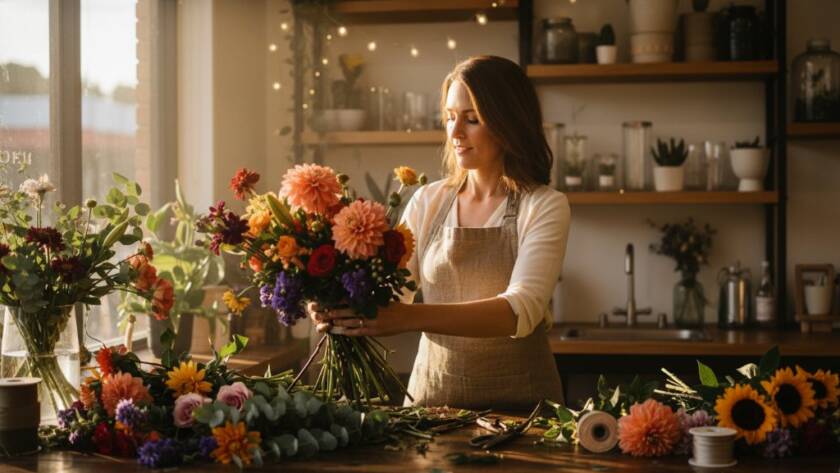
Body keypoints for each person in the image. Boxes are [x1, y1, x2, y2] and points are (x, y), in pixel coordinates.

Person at [308, 55, 570, 409]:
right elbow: (391, 295)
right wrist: (336, 305)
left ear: (509, 124)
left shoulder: (543, 205)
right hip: (432, 407)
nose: (455, 133)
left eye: (472, 119)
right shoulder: (429, 200)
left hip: (523, 413)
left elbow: (519, 312)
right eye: (449, 118)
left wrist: (407, 318)